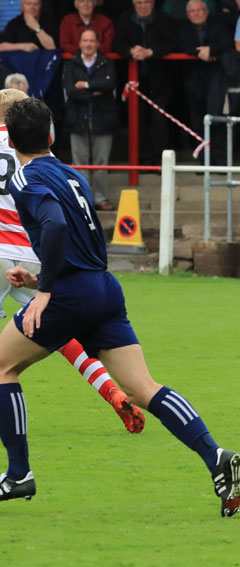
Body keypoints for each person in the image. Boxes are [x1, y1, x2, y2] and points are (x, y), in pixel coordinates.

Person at [0, 98, 240, 514]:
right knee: (144, 388)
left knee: (3, 367)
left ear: (11, 138)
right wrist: (40, 279)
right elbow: (79, 239)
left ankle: (19, 473)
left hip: (70, 294)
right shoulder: (72, 174)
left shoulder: (25, 179)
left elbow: (56, 225)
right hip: (105, 288)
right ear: (52, 135)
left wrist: (46, 290)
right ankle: (215, 455)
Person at [0, 88, 143, 436]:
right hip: (38, 255)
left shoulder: (16, 141)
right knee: (59, 332)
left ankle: (17, 462)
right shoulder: (33, 149)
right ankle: (110, 390)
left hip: (1, 248)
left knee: (5, 359)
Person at [114, 0, 176, 165]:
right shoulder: (124, 19)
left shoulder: (164, 19)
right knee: (137, 120)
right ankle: (141, 161)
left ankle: (160, 162)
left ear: (153, 3)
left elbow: (171, 43)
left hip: (160, 80)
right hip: (134, 81)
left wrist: (151, 52)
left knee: (159, 122)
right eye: (139, 2)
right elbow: (118, 43)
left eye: (146, 2)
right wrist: (130, 51)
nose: (142, 6)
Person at [62, 28, 117, 210]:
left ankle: (101, 199)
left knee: (102, 163)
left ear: (97, 44)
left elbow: (110, 84)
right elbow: (70, 91)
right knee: (80, 164)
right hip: (77, 120)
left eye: (92, 41)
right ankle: (83, 200)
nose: (88, 44)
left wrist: (85, 86)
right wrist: (96, 92)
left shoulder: (106, 63)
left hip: (103, 120)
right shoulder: (71, 65)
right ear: (79, 44)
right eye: (85, 41)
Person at [177, 0, 230, 165]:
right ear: (187, 15)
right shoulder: (183, 28)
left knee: (218, 121)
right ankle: (204, 161)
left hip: (217, 80)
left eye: (199, 10)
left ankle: (220, 161)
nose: (196, 14)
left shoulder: (219, 24)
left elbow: (228, 43)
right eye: (192, 11)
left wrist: (212, 51)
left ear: (206, 11)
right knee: (197, 123)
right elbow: (178, 45)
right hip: (193, 82)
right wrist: (200, 52)